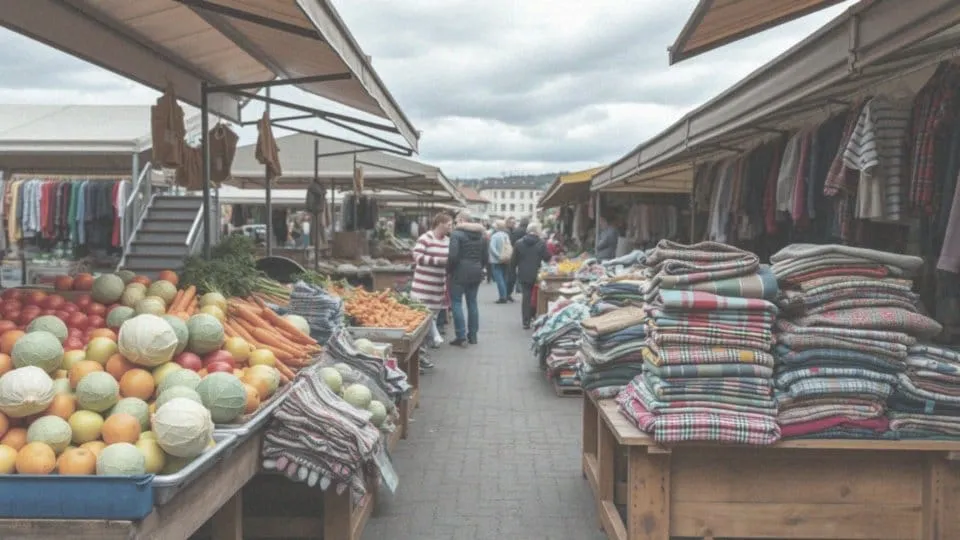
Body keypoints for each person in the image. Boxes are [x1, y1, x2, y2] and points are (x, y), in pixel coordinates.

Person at [410, 213, 453, 361]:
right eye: (448, 224)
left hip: (437, 289)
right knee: (420, 321)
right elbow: (417, 256)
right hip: (422, 288)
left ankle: (423, 354)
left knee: (430, 320)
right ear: (440, 223)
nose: (450, 227)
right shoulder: (426, 238)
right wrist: (438, 261)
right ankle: (419, 356)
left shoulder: (448, 241)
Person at [447, 210, 488, 346]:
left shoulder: (456, 234)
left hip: (460, 272)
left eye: (457, 220)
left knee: (457, 303)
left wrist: (449, 270)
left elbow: (453, 256)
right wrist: (479, 267)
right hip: (476, 271)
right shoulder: (481, 235)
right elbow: (485, 257)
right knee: (472, 303)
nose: (455, 223)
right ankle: (473, 336)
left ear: (462, 220)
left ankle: (461, 336)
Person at [512, 222, 551, 329]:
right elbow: (547, 257)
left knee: (526, 296)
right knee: (539, 294)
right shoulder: (541, 243)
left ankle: (526, 321)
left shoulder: (518, 243)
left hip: (524, 273)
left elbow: (513, 261)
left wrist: (511, 274)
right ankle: (536, 316)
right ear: (537, 231)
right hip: (538, 273)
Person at [488, 220, 512, 303]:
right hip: (505, 259)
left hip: (497, 260)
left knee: (499, 279)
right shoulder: (506, 235)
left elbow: (492, 247)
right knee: (504, 278)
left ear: (497, 227)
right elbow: (508, 246)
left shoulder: (495, 236)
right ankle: (505, 295)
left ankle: (502, 297)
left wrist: (498, 256)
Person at [505, 216, 526, 302]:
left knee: (511, 276)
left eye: (514, 223)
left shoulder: (514, 231)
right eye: (512, 223)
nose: (514, 224)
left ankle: (508, 293)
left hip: (514, 255)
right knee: (510, 276)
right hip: (511, 255)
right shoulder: (509, 231)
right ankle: (507, 294)